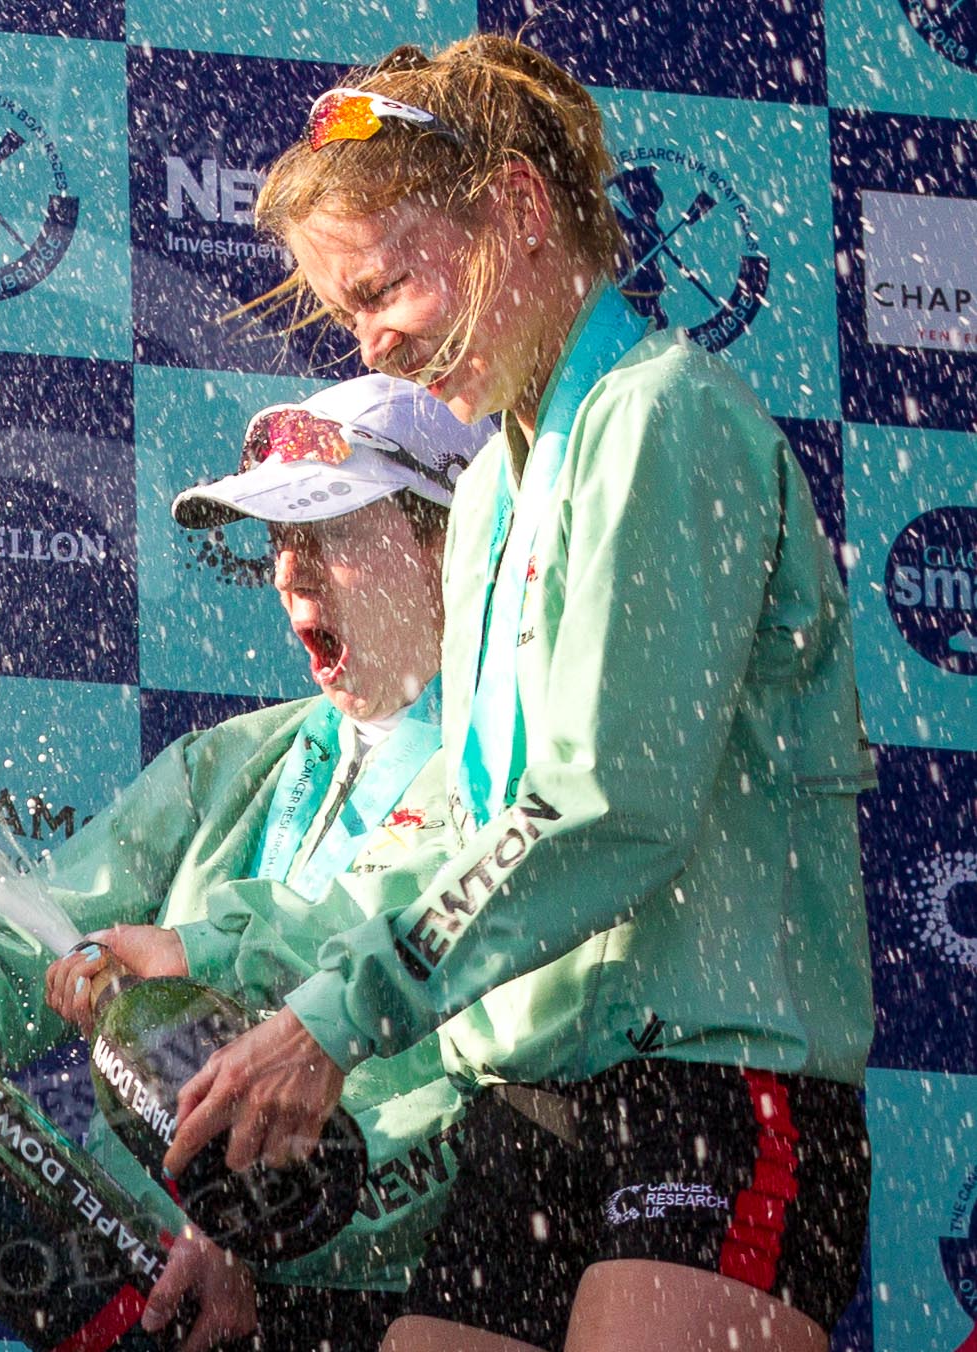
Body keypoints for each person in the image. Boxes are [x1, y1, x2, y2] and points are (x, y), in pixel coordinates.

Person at [163, 37, 874, 1352]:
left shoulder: (661, 417)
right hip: (527, 1109)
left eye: (384, 289)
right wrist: (265, 1073)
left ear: (517, 209)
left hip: (718, 1089)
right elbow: (464, 843)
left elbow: (605, 807)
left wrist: (334, 1019)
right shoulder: (490, 483)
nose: (374, 345)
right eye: (347, 314)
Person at [0, 374, 492, 1352]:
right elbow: (31, 946)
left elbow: (444, 1008)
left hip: (422, 1292)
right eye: (282, 537)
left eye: (331, 532)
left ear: (452, 541)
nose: (292, 572)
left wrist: (256, 1224)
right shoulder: (230, 764)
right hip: (186, 1278)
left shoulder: (519, 770)